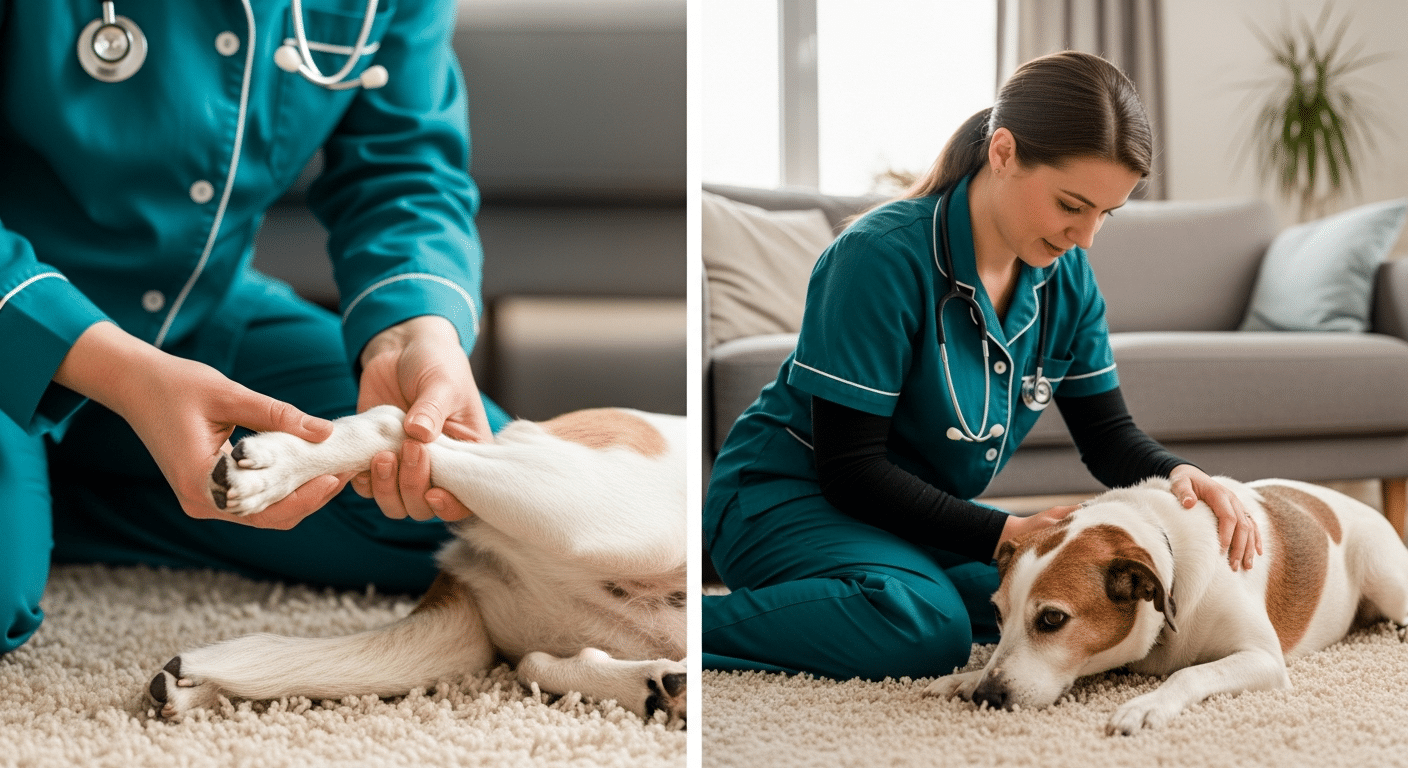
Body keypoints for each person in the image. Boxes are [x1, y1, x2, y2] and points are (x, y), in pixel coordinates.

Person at [702, 51, 1263, 681]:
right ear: (1003, 153)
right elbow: (849, 468)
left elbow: (1106, 438)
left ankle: (889, 583)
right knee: (922, 624)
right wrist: (1004, 533)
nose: (1085, 237)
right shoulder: (877, 258)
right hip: (785, 496)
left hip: (910, 516)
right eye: (1071, 205)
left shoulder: (1066, 278)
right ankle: (680, 626)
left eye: (1105, 215)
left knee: (1037, 599)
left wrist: (1182, 474)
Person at [0, 2, 511, 655]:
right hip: (13, 306)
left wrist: (414, 332)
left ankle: (60, 494)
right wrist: (115, 371)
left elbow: (404, 167)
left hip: (197, 316)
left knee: (476, 515)